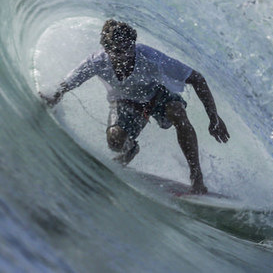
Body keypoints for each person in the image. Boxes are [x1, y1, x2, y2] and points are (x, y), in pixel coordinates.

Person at [40, 19, 230, 194]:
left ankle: (196, 176)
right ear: (107, 50)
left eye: (129, 48)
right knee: (115, 141)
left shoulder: (150, 57)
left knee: (177, 112)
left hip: (157, 95)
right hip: (125, 102)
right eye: (118, 51)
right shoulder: (97, 62)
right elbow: (68, 83)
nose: (125, 55)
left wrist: (214, 117)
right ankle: (130, 149)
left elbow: (196, 78)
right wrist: (54, 96)